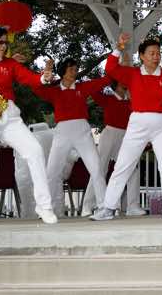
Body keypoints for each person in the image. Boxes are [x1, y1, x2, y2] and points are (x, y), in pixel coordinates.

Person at [91, 34, 162, 221]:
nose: (156, 56)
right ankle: (108, 208)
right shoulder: (133, 74)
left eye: (158, 53)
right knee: (123, 165)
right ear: (142, 56)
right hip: (138, 124)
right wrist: (118, 48)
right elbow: (110, 68)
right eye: (152, 53)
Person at [0, 26, 57, 227]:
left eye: (6, 43)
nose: (4, 46)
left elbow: (29, 78)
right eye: (0, 42)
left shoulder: (10, 64)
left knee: (35, 150)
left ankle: (44, 207)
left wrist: (43, 77)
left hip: (10, 116)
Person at [34, 58, 109, 218]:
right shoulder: (54, 91)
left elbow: (105, 80)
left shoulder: (82, 87)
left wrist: (119, 60)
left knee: (96, 168)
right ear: (63, 72)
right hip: (62, 132)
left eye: (75, 69)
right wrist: (46, 71)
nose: (74, 72)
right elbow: (37, 88)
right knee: (52, 172)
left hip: (82, 131)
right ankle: (47, 208)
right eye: (71, 69)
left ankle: (103, 207)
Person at [82, 75, 139, 217]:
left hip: (126, 136)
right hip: (109, 134)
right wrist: (108, 79)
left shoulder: (131, 102)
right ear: (115, 86)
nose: (124, 85)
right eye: (121, 83)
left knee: (132, 169)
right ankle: (88, 206)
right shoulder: (108, 98)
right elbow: (92, 91)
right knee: (99, 169)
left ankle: (132, 206)